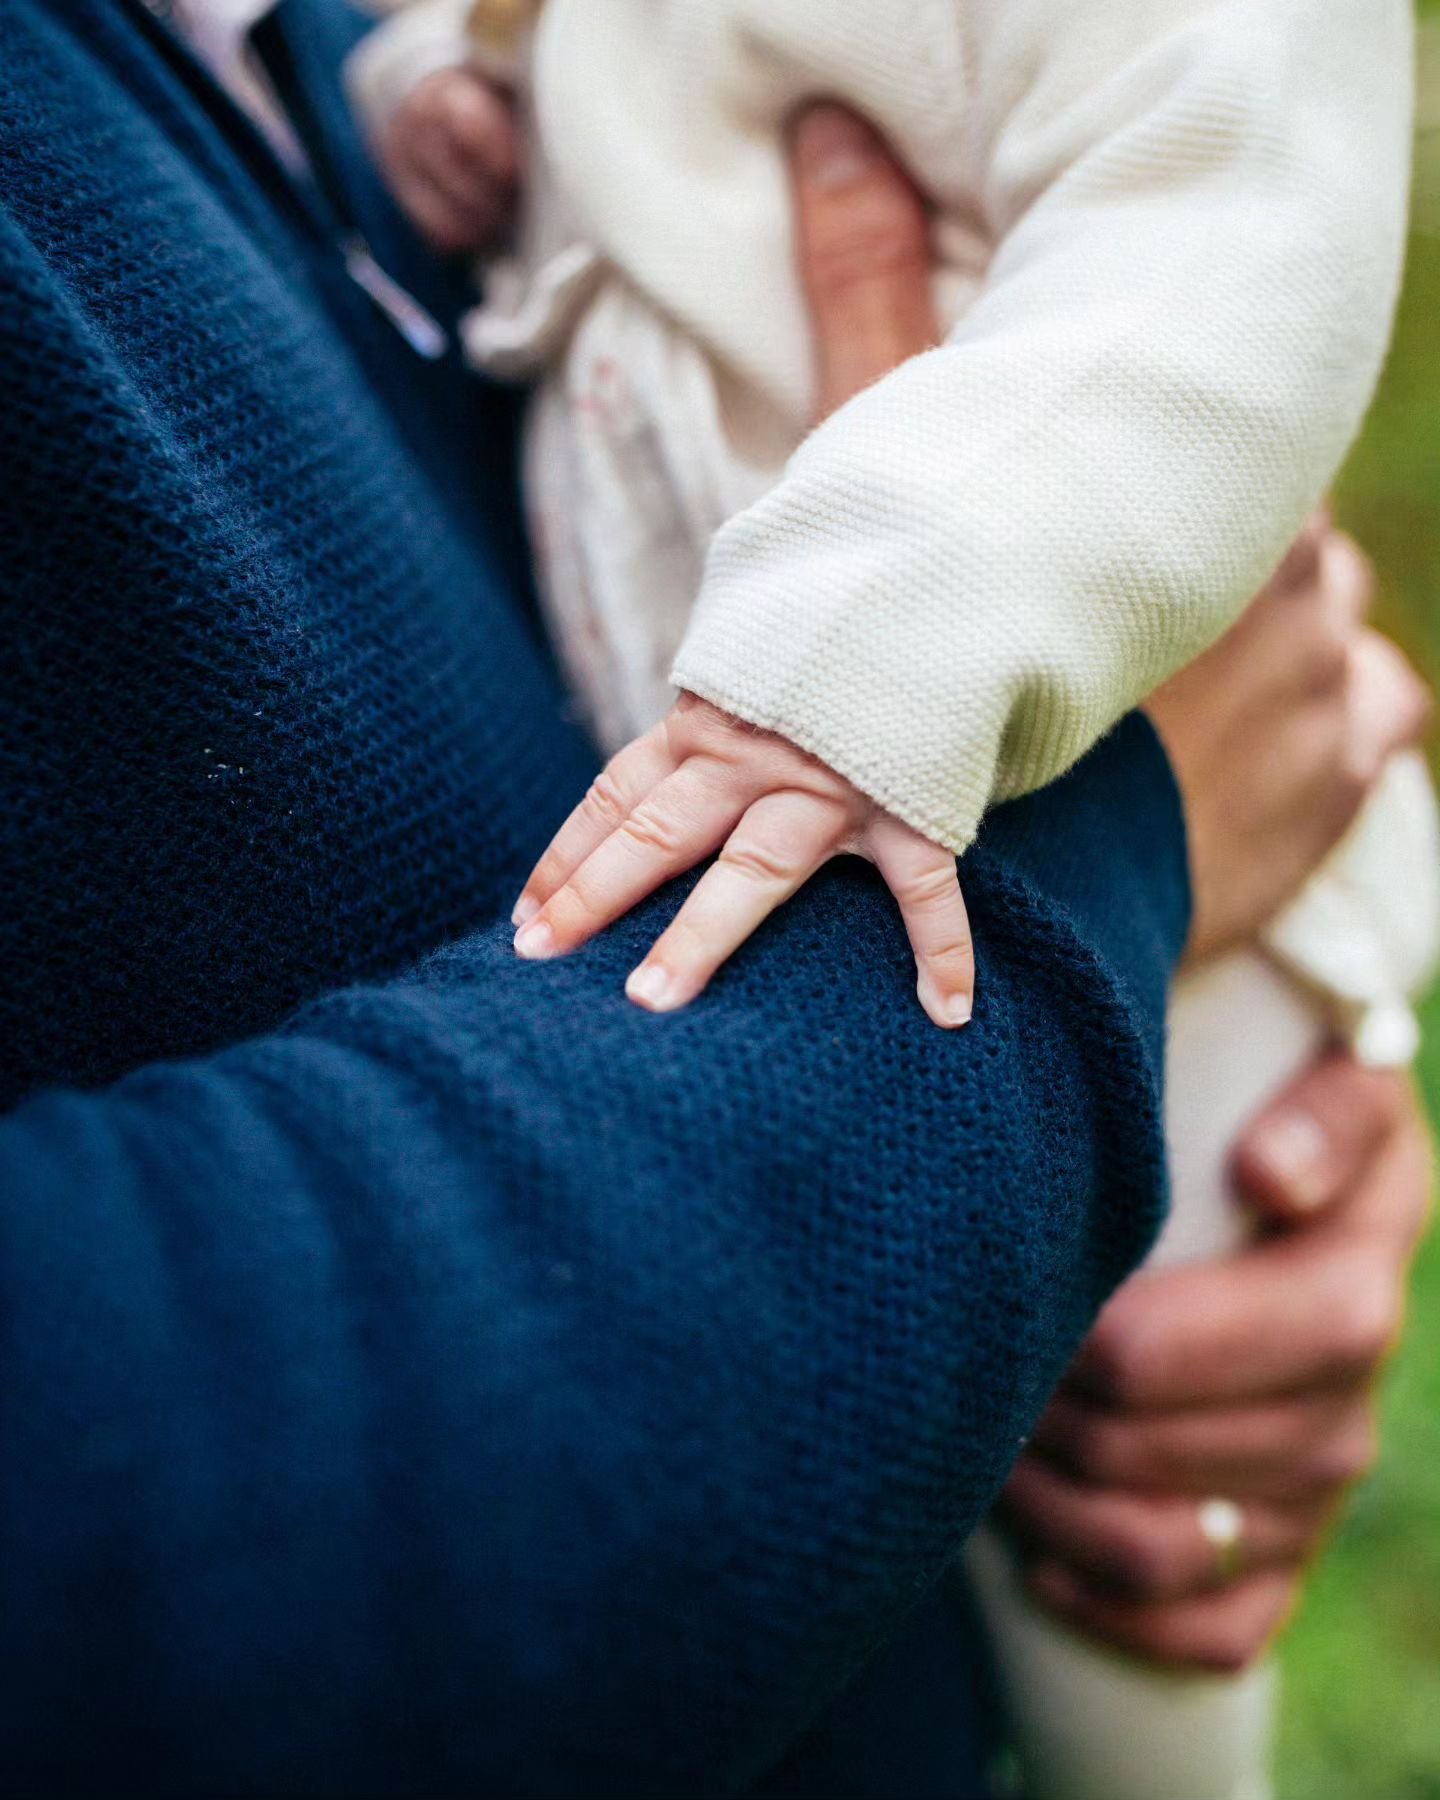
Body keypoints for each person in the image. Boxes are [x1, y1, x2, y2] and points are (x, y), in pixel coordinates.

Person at [0, 5, 1428, 1797]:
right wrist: (454, 77)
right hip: (953, 845)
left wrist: (891, 659)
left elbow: (1234, 275)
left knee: (1130, 1662)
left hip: (1004, 713)